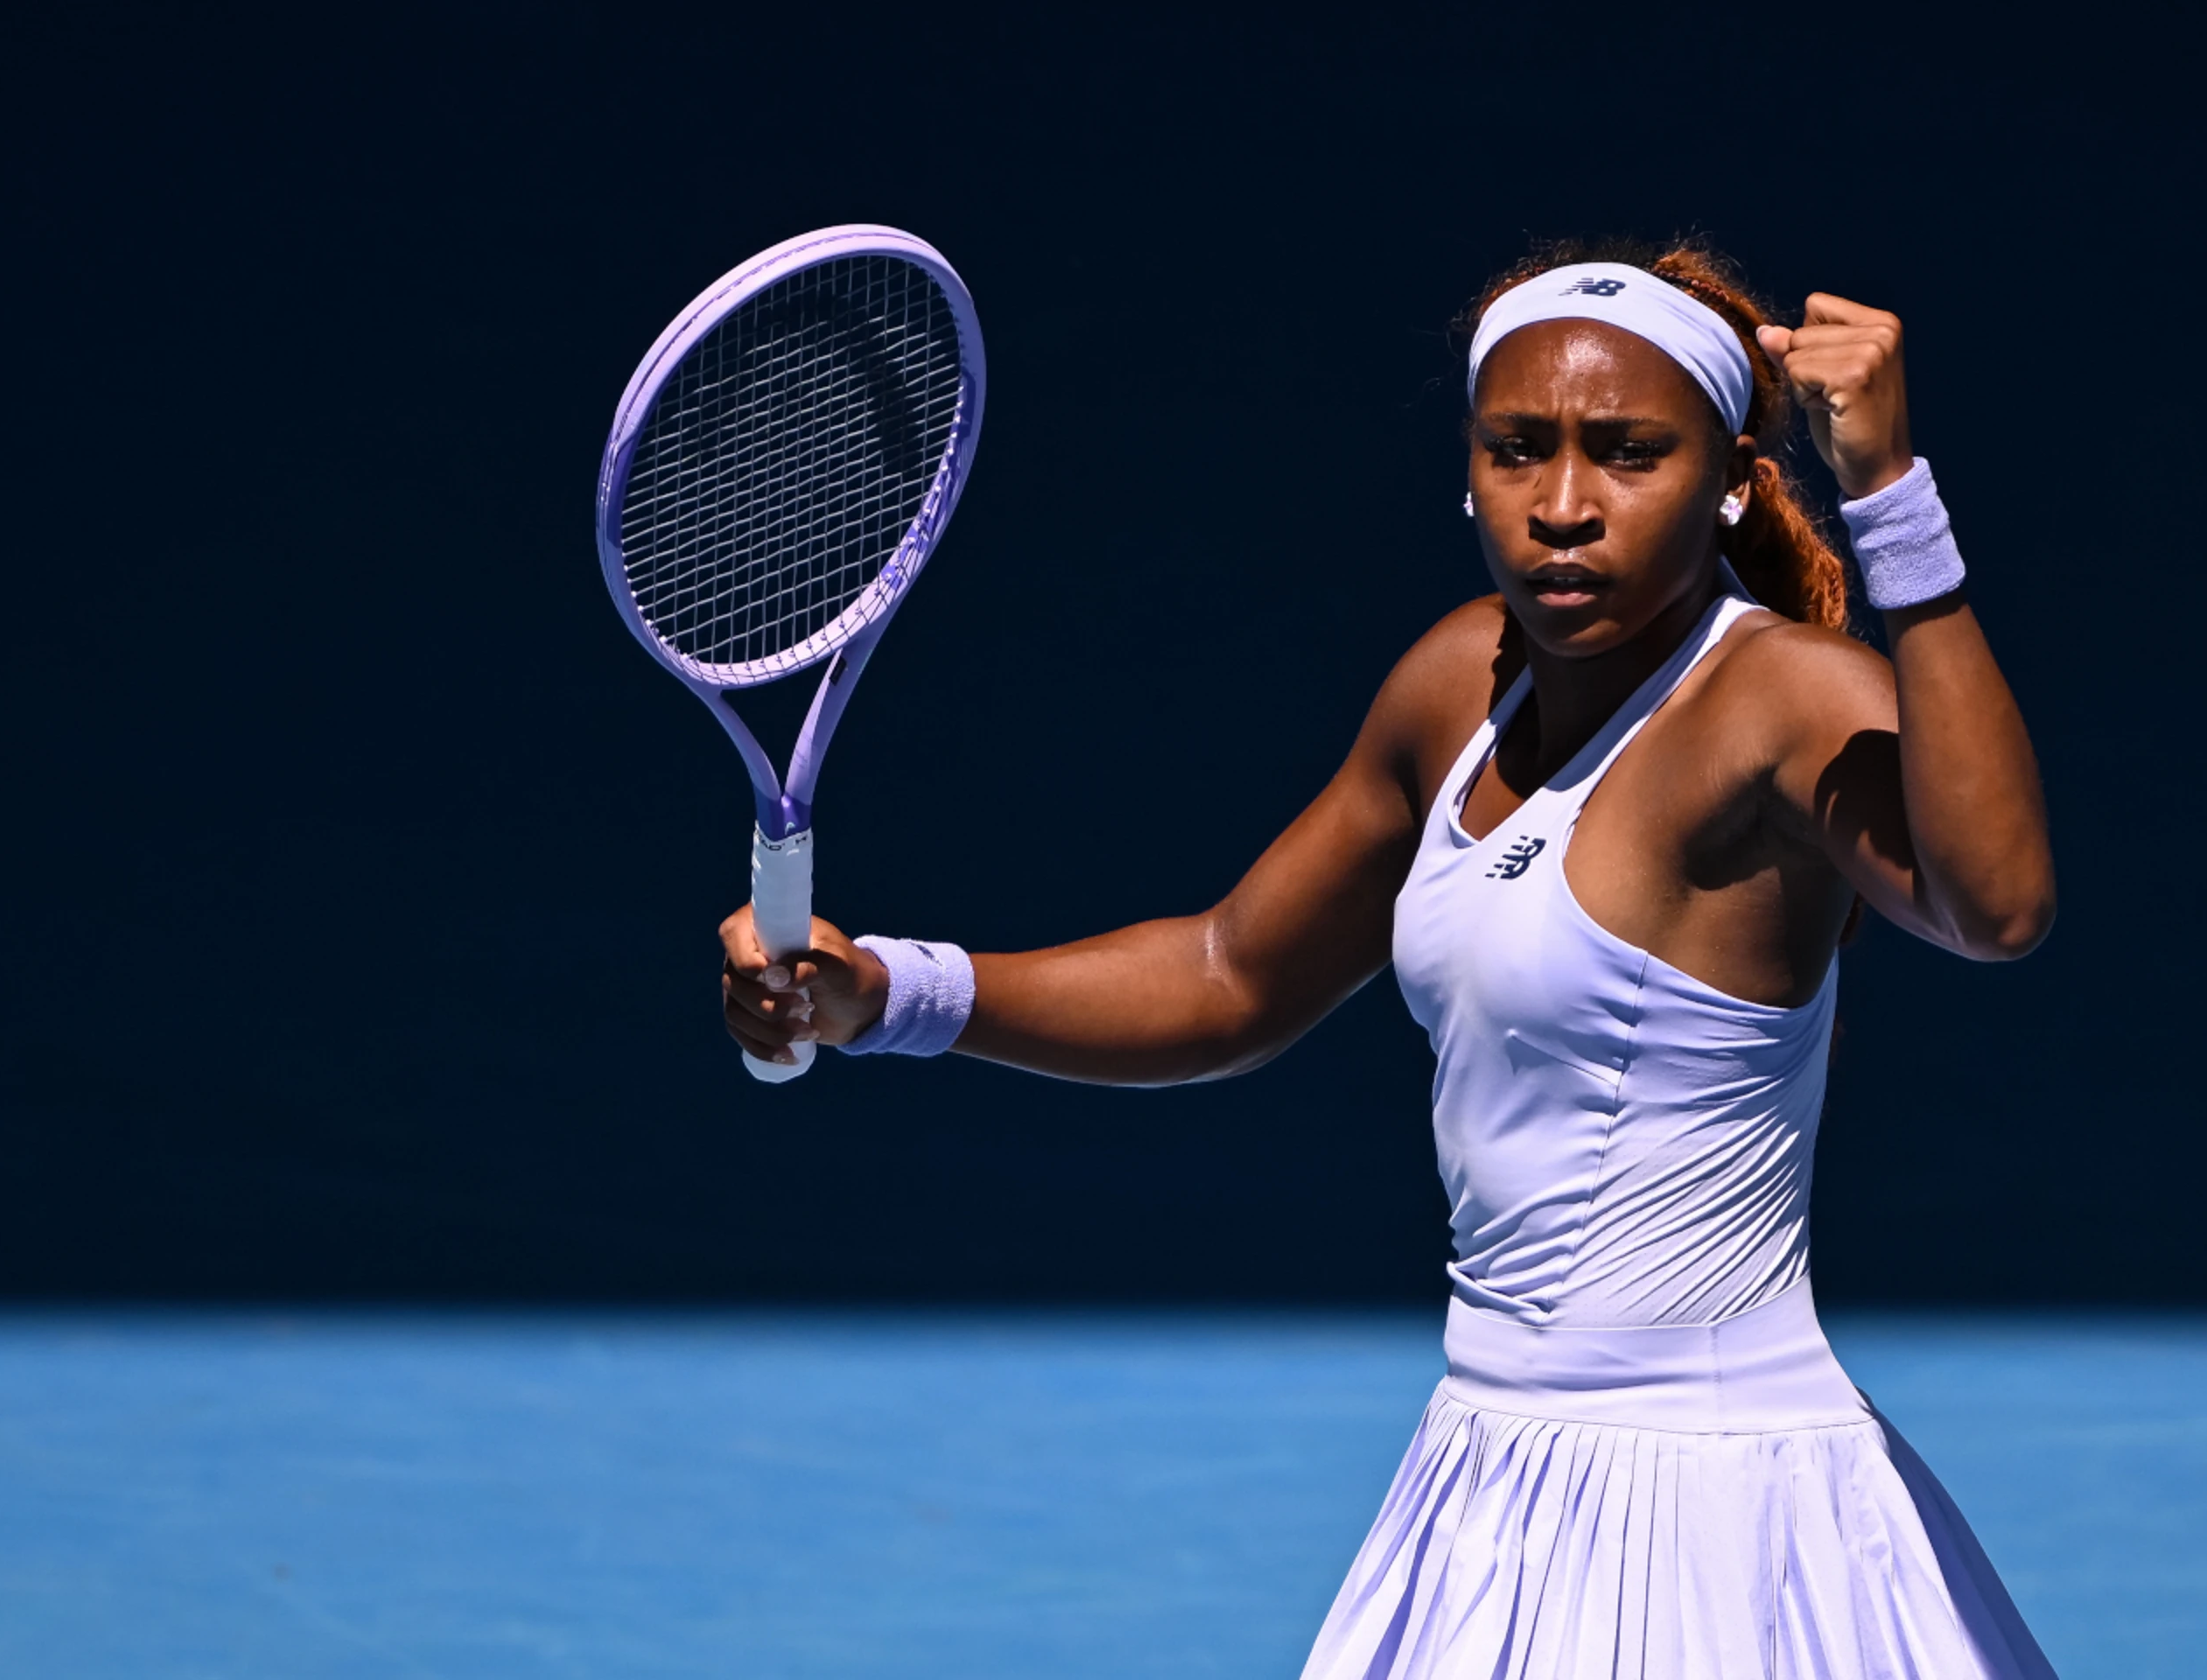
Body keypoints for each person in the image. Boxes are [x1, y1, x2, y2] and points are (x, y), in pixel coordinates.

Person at [721, 239, 2061, 1679]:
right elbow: (1235, 971)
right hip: (1484, 1484)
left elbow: (1995, 907)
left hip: (1726, 1496)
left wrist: (1895, 508)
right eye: (1517, 452)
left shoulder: (1781, 702)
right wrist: (893, 995)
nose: (1561, 509)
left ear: (1732, 477)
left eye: (1628, 456)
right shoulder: (1456, 684)